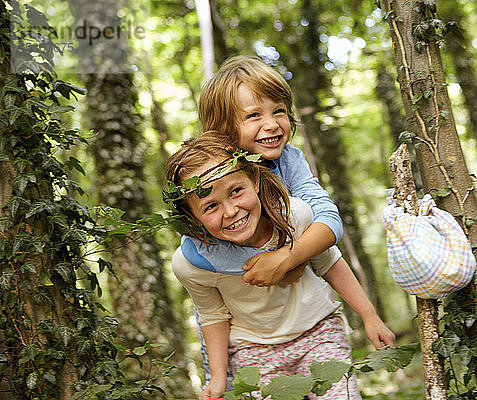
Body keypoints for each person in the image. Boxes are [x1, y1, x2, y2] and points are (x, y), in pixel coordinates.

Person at [166, 134, 395, 399]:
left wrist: (370, 316)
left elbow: (330, 262)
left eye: (236, 191)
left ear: (255, 180)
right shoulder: (192, 264)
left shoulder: (295, 216)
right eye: (211, 206)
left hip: (319, 333)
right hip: (254, 350)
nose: (230, 211)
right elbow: (212, 315)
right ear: (192, 218)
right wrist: (218, 378)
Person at [183, 54, 343, 286]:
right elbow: (194, 251)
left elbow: (329, 219)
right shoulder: (208, 173)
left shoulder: (289, 159)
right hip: (241, 302)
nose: (272, 125)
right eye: (253, 115)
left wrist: (286, 259)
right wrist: (273, 265)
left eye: (279, 111)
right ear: (222, 127)